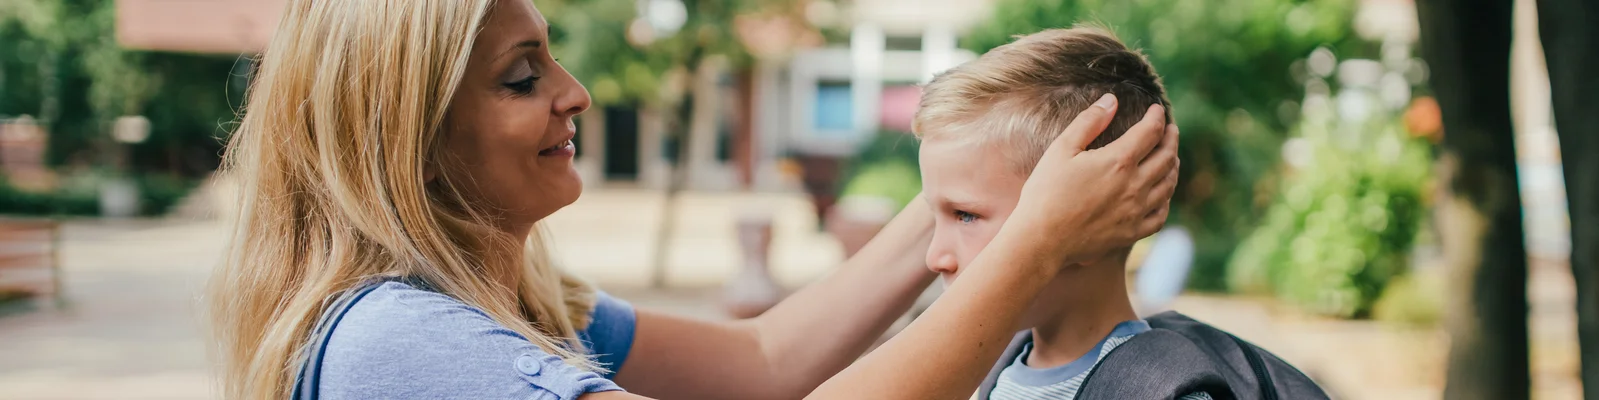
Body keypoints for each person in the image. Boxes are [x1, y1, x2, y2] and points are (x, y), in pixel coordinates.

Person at [204, 2, 1178, 399]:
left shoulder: (524, 308)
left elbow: (764, 360)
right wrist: (1033, 238)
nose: (574, 92)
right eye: (521, 75)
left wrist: (990, 173)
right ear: (406, 132)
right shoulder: (402, 343)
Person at [913, 27, 1322, 400]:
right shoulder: (996, 371)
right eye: (938, 216)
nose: (935, 257)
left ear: (1093, 216)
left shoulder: (1161, 390)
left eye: (965, 215)